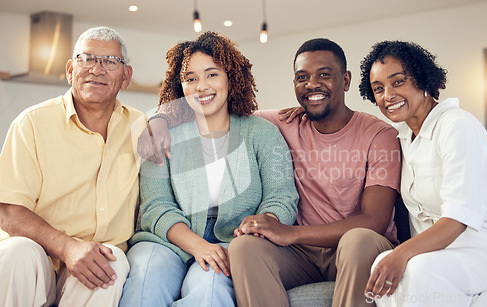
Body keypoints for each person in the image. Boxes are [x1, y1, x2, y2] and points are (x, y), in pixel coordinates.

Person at [141, 38, 402, 307]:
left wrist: (292, 233)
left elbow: (375, 220)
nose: (312, 84)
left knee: (357, 240)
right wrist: (158, 119)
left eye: (324, 75)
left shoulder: (379, 135)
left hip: (359, 248)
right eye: (303, 77)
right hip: (302, 255)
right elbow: (210, 106)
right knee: (244, 246)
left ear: (345, 80)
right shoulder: (280, 122)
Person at [119, 32, 298, 307]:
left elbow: (282, 198)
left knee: (210, 289)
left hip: (234, 242)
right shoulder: (163, 133)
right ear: (181, 86)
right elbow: (156, 206)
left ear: (231, 77)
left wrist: (260, 224)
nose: (201, 86)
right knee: (145, 281)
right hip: (167, 240)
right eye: (190, 78)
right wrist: (197, 245)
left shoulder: (262, 133)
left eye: (211, 75)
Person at [0, 26, 147, 306]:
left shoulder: (143, 129)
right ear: (70, 69)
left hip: (99, 259)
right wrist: (68, 247)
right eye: (87, 59)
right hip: (37, 255)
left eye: (110, 61)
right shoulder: (31, 123)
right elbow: (8, 212)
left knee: (110, 265)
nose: (97, 69)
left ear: (125, 76)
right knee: (17, 252)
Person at [359, 40, 487, 306]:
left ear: (422, 79)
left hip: (483, 251)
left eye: (397, 82)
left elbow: (458, 218)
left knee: (417, 271)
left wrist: (401, 254)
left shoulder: (457, 126)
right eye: (378, 89)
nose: (387, 95)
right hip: (439, 254)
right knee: (381, 264)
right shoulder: (402, 138)